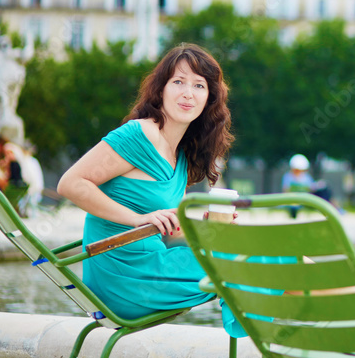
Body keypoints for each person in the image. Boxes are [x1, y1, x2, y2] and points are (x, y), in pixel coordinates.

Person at [57, 43, 245, 336]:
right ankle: (328, 329)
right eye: (178, 82)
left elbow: (168, 232)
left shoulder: (181, 156)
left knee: (266, 256)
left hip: (154, 267)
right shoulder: (140, 134)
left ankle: (331, 322)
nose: (187, 93)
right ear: (161, 89)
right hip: (125, 278)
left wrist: (202, 227)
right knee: (256, 259)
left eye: (199, 85)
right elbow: (70, 184)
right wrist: (136, 218)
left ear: (209, 98)